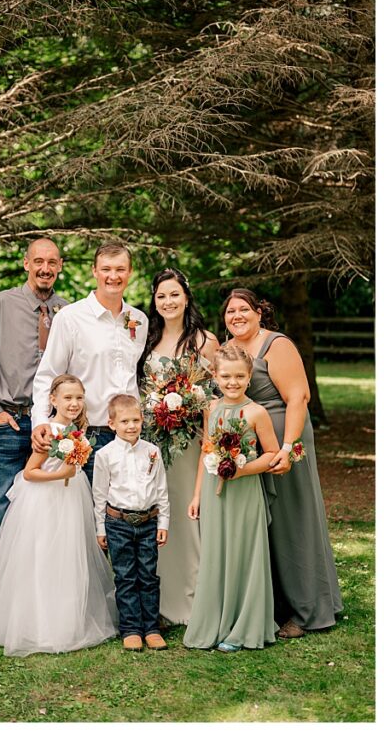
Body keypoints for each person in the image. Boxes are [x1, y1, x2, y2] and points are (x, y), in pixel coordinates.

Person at [0, 237, 68, 641]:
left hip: (53, 431)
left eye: (52, 262)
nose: (45, 268)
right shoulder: (1, 304)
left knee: (49, 522)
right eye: (38, 261)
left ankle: (40, 607)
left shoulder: (66, 312)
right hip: (12, 426)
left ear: (60, 266)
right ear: (26, 264)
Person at [222, 289, 343, 638]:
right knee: (263, 526)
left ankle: (308, 610)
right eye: (231, 311)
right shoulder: (228, 350)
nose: (237, 316)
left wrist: (287, 448)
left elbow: (298, 397)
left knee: (293, 522)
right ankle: (273, 607)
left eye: (244, 309)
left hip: (284, 445)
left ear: (260, 312)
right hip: (251, 451)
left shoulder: (277, 345)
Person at [0, 374, 117, 655]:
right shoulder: (48, 431)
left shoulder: (76, 431)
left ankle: (68, 621)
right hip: (45, 500)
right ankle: (39, 625)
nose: (74, 403)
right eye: (67, 398)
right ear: (52, 400)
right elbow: (29, 472)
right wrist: (61, 473)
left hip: (71, 497)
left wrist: (70, 471)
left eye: (78, 398)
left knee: (68, 556)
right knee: (43, 556)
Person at [183, 345, 279, 652]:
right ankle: (215, 622)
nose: (232, 382)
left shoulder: (256, 412)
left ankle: (244, 627)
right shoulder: (211, 408)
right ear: (215, 375)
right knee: (217, 555)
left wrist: (242, 469)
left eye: (239, 376)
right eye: (226, 376)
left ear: (249, 377)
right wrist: (197, 494)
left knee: (244, 554)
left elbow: (273, 456)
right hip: (214, 495)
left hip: (245, 492)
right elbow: (206, 452)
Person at [137, 268, 219, 626]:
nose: (168, 302)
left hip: (190, 444)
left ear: (186, 297)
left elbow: (216, 394)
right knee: (159, 516)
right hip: (154, 441)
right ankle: (163, 604)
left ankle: (194, 602)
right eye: (161, 296)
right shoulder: (145, 339)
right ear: (154, 302)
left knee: (189, 516)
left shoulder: (204, 341)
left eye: (174, 294)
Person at [32, 243, 148, 486]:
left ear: (130, 272)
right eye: (106, 269)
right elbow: (49, 374)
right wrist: (41, 421)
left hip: (130, 433)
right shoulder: (71, 317)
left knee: (124, 512)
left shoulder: (139, 320)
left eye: (120, 269)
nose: (113, 276)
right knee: (91, 514)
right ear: (94, 271)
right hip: (87, 434)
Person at [92, 394, 169, 651]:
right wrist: (101, 528)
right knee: (125, 576)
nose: (131, 426)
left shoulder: (152, 452)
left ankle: (151, 628)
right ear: (112, 424)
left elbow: (161, 490)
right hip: (118, 523)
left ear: (142, 420)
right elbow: (100, 495)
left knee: (148, 576)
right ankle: (131, 628)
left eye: (135, 420)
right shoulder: (105, 455)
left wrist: (163, 523)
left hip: (148, 521)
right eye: (124, 421)